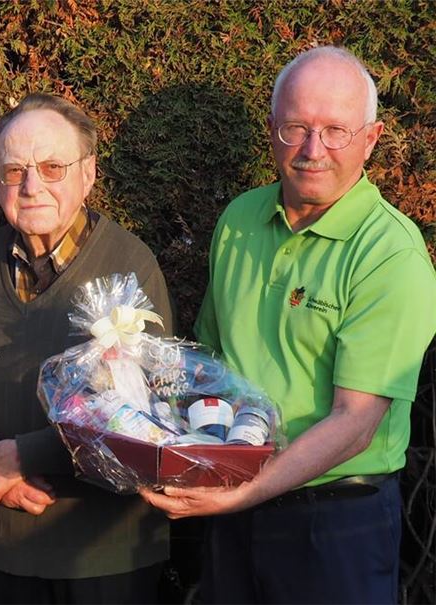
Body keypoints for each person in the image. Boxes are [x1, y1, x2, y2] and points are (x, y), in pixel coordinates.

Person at [141, 46, 436, 604]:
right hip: (234, 500)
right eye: (296, 127)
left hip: (337, 524)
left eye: (335, 131)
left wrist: (242, 491)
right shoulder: (240, 219)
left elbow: (356, 423)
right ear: (273, 128)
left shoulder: (390, 254)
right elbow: (211, 362)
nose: (311, 150)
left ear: (370, 139)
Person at [0, 93, 173, 604]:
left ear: (88, 174)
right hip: (4, 538)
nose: (32, 186)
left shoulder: (130, 265)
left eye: (52, 167)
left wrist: (20, 456)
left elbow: (144, 412)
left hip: (104, 551)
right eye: (14, 170)